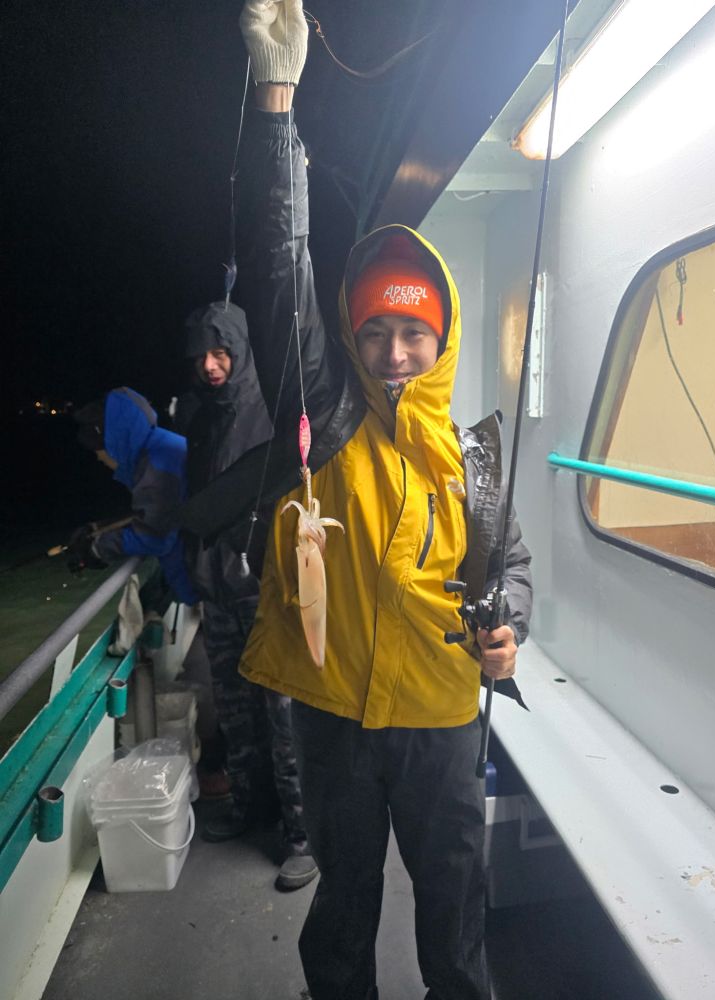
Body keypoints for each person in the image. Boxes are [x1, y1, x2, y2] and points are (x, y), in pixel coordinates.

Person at [180, 3, 532, 996]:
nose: (392, 350)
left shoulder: (470, 455)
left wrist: (512, 631)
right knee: (342, 915)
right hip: (334, 722)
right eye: (373, 330)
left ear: (442, 338)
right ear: (349, 335)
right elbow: (279, 260)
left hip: (440, 720)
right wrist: (275, 101)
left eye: (412, 333)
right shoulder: (323, 416)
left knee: (454, 913)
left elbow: (510, 568)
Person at [179, 299, 318, 892]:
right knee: (235, 712)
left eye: (221, 352)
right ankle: (248, 805)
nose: (211, 365)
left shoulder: (273, 411)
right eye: (201, 356)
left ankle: (301, 833)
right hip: (216, 590)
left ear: (238, 351)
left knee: (281, 714)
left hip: (266, 590)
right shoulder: (200, 419)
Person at [71, 386, 197, 607]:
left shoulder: (156, 465)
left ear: (113, 441)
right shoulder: (162, 446)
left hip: (210, 588)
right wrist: (102, 527)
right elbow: (157, 510)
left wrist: (96, 550)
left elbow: (154, 536)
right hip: (209, 577)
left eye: (98, 451)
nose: (99, 459)